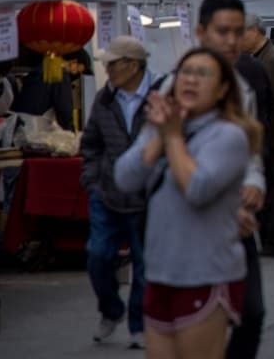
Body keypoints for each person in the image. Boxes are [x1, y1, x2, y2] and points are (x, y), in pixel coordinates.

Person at [114, 48, 261, 359]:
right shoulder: (164, 126)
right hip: (161, 271)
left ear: (223, 89)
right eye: (185, 73)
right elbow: (125, 179)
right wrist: (158, 136)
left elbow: (197, 188)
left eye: (204, 74)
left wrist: (173, 139)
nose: (191, 81)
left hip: (205, 274)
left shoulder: (229, 135)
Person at [191, 0, 270, 359]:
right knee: (198, 323)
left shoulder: (243, 91)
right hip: (189, 226)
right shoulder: (175, 88)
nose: (232, 41)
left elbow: (251, 153)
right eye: (223, 31)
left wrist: (255, 182)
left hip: (237, 224)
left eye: (238, 32)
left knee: (251, 312)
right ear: (200, 32)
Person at [79, 36, 154, 349]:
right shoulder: (104, 100)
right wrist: (92, 179)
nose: (107, 69)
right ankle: (111, 309)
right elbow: (91, 142)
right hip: (107, 192)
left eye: (112, 63)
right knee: (98, 254)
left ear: (133, 66)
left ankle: (140, 323)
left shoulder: (159, 96)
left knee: (144, 263)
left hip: (146, 196)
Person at [241, 13, 274, 258]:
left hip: (272, 135)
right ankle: (269, 238)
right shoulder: (263, 57)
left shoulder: (273, 59)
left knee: (272, 188)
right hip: (267, 133)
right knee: (268, 187)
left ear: (255, 32)